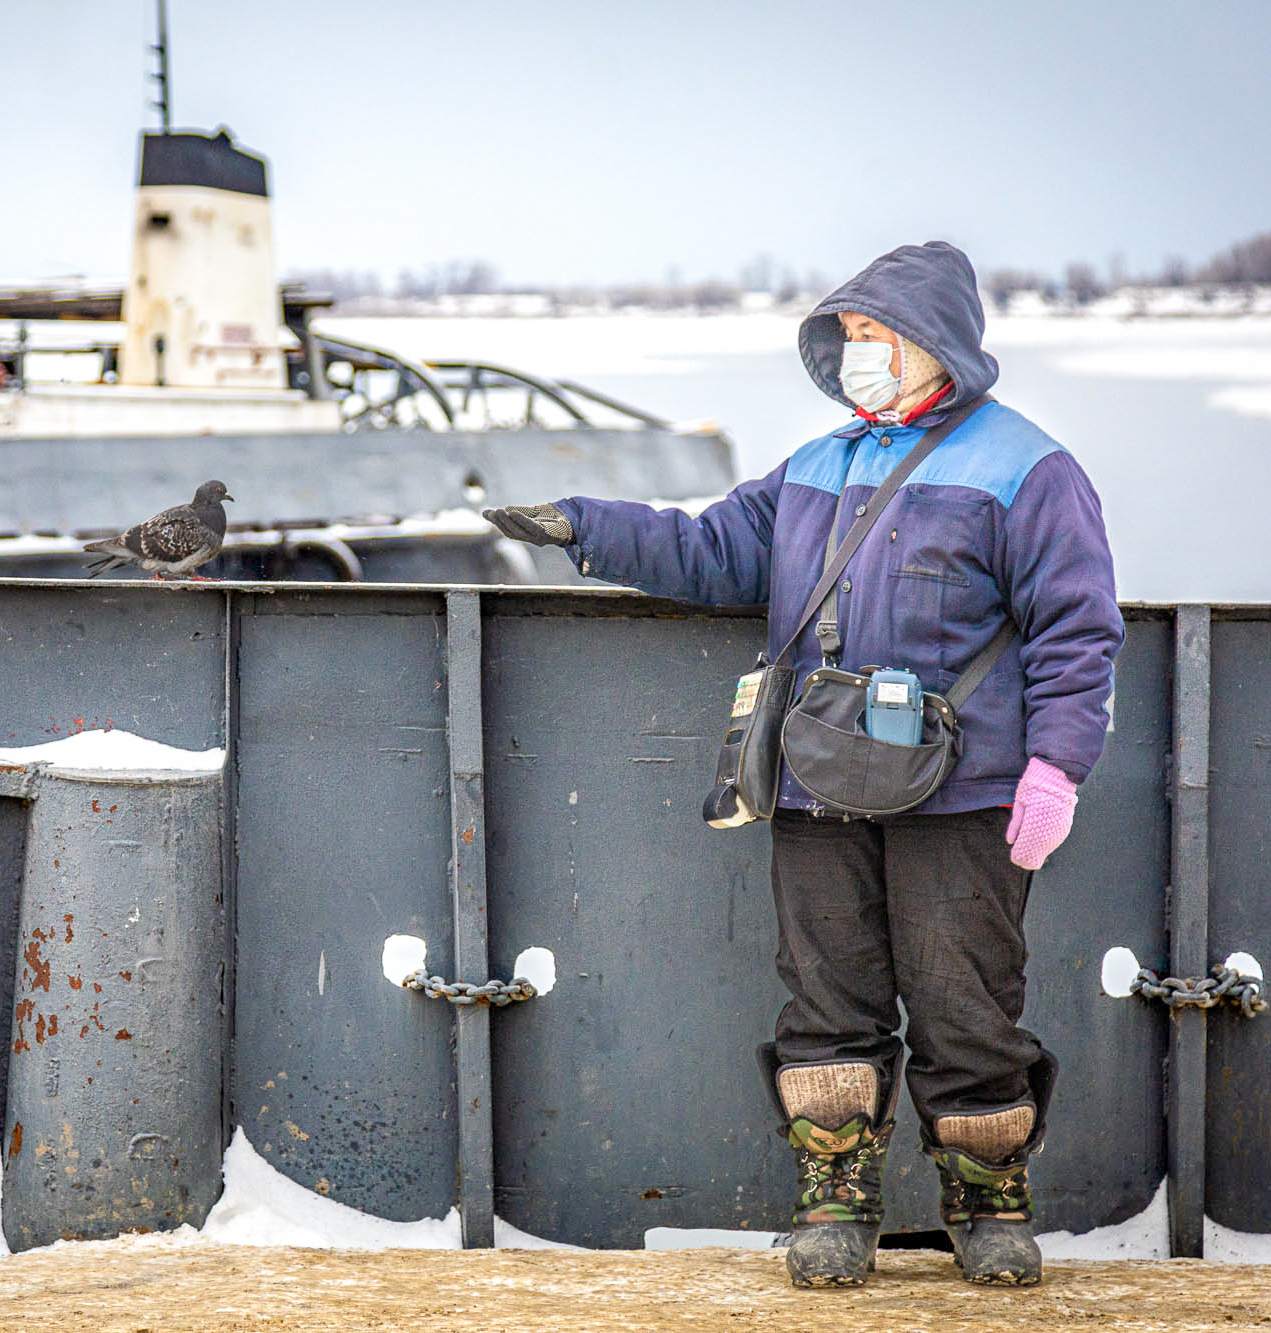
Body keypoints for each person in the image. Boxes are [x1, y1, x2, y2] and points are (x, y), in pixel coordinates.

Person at [483, 241, 1121, 1289]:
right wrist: (582, 527)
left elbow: (1075, 630)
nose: (859, 355)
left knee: (966, 1006)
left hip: (961, 793)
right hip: (817, 776)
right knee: (825, 1003)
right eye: (851, 338)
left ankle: (988, 1207)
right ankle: (835, 1207)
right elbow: (711, 551)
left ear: (938, 346)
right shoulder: (817, 465)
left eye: (878, 338)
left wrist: (1054, 771)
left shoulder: (1027, 468)